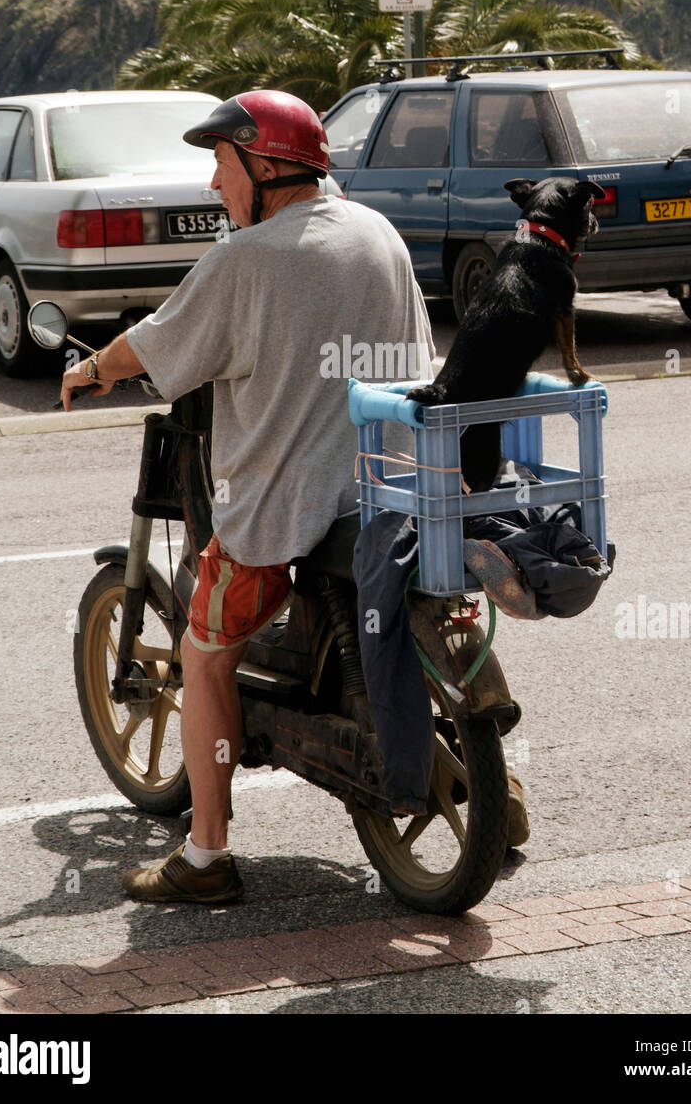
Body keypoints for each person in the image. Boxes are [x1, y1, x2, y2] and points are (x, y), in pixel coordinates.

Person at [59, 89, 436, 903]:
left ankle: (206, 856)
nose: (212, 186)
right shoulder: (380, 234)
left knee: (203, 657)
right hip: (395, 490)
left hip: (288, 507)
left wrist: (89, 370)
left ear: (266, 168)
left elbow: (155, 345)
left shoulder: (248, 259)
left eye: (221, 165)